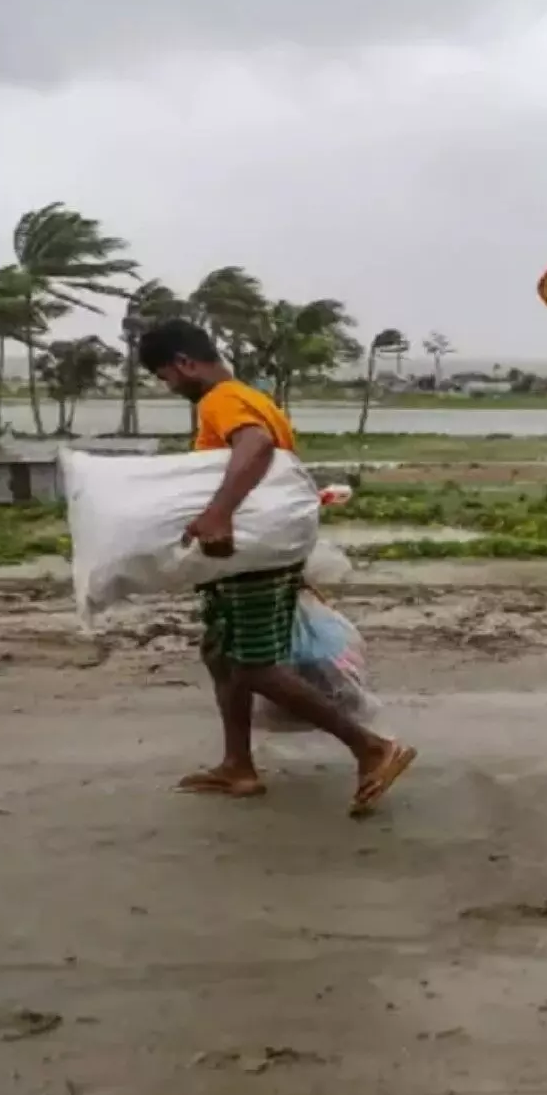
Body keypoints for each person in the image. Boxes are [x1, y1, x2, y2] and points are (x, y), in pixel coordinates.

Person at [135, 319, 418, 815]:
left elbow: (256, 446)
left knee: (254, 664)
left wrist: (218, 513)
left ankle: (371, 747)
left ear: (184, 362)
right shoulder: (248, 395)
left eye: (165, 377)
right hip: (252, 552)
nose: (170, 387)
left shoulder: (220, 399)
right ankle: (237, 766)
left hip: (249, 554)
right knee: (222, 654)